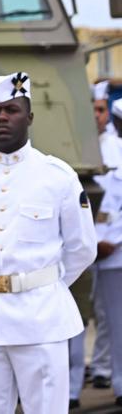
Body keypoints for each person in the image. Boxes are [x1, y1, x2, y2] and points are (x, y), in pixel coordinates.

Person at [0, 72, 97, 413]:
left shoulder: (57, 176)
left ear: (30, 117)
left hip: (41, 319)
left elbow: (82, 248)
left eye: (11, 109)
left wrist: (43, 286)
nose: (2, 117)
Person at [94, 96, 122, 407]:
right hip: (83, 246)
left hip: (114, 249)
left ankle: (118, 381)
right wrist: (92, 241)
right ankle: (73, 389)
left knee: (115, 319)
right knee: (77, 319)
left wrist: (110, 241)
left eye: (102, 110)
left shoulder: (117, 150)